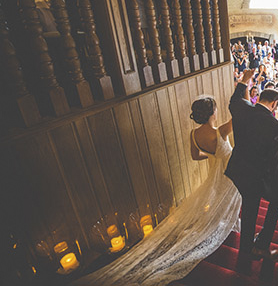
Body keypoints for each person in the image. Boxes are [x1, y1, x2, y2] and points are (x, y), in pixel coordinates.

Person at [73, 96, 241, 285]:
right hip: (231, 176)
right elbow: (241, 114)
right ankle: (225, 228)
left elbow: (195, 156)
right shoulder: (221, 132)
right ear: (213, 113)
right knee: (228, 202)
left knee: (218, 201)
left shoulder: (194, 134)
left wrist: (214, 156)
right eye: (216, 109)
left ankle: (222, 225)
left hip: (215, 176)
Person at [225, 69, 278, 266]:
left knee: (250, 208)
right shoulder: (277, 128)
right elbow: (275, 167)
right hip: (255, 178)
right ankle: (257, 246)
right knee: (276, 204)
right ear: (275, 104)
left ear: (259, 97)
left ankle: (250, 247)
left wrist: (244, 80)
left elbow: (234, 99)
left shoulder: (242, 109)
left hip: (237, 171)